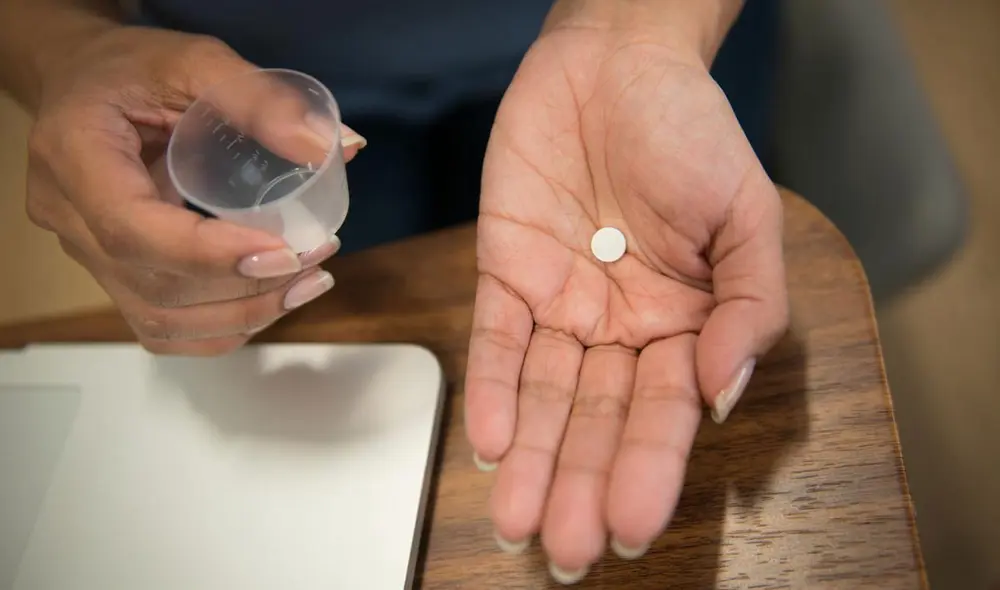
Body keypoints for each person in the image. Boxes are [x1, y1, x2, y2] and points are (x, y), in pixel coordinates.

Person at [0, 0, 789, 584]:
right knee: (351, 382)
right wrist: (68, 45)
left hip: (630, 28)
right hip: (264, 110)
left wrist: (641, 33)